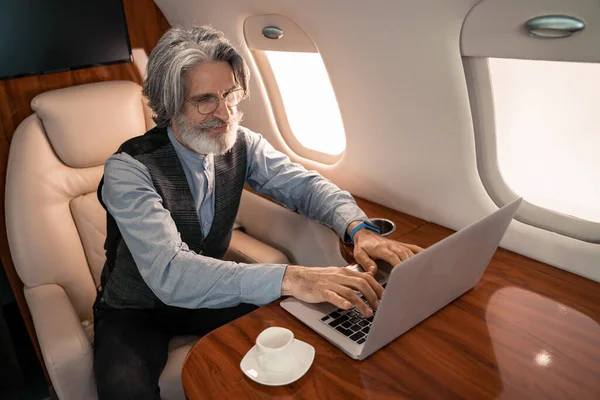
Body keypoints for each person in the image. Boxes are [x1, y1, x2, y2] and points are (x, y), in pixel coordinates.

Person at [93, 25, 423, 399]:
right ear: (170, 105)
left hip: (210, 293)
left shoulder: (242, 143)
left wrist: (358, 229)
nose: (226, 112)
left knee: (305, 328)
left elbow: (306, 187)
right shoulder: (128, 168)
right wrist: (291, 277)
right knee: (124, 391)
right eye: (205, 100)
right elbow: (170, 273)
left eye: (230, 93)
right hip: (135, 308)